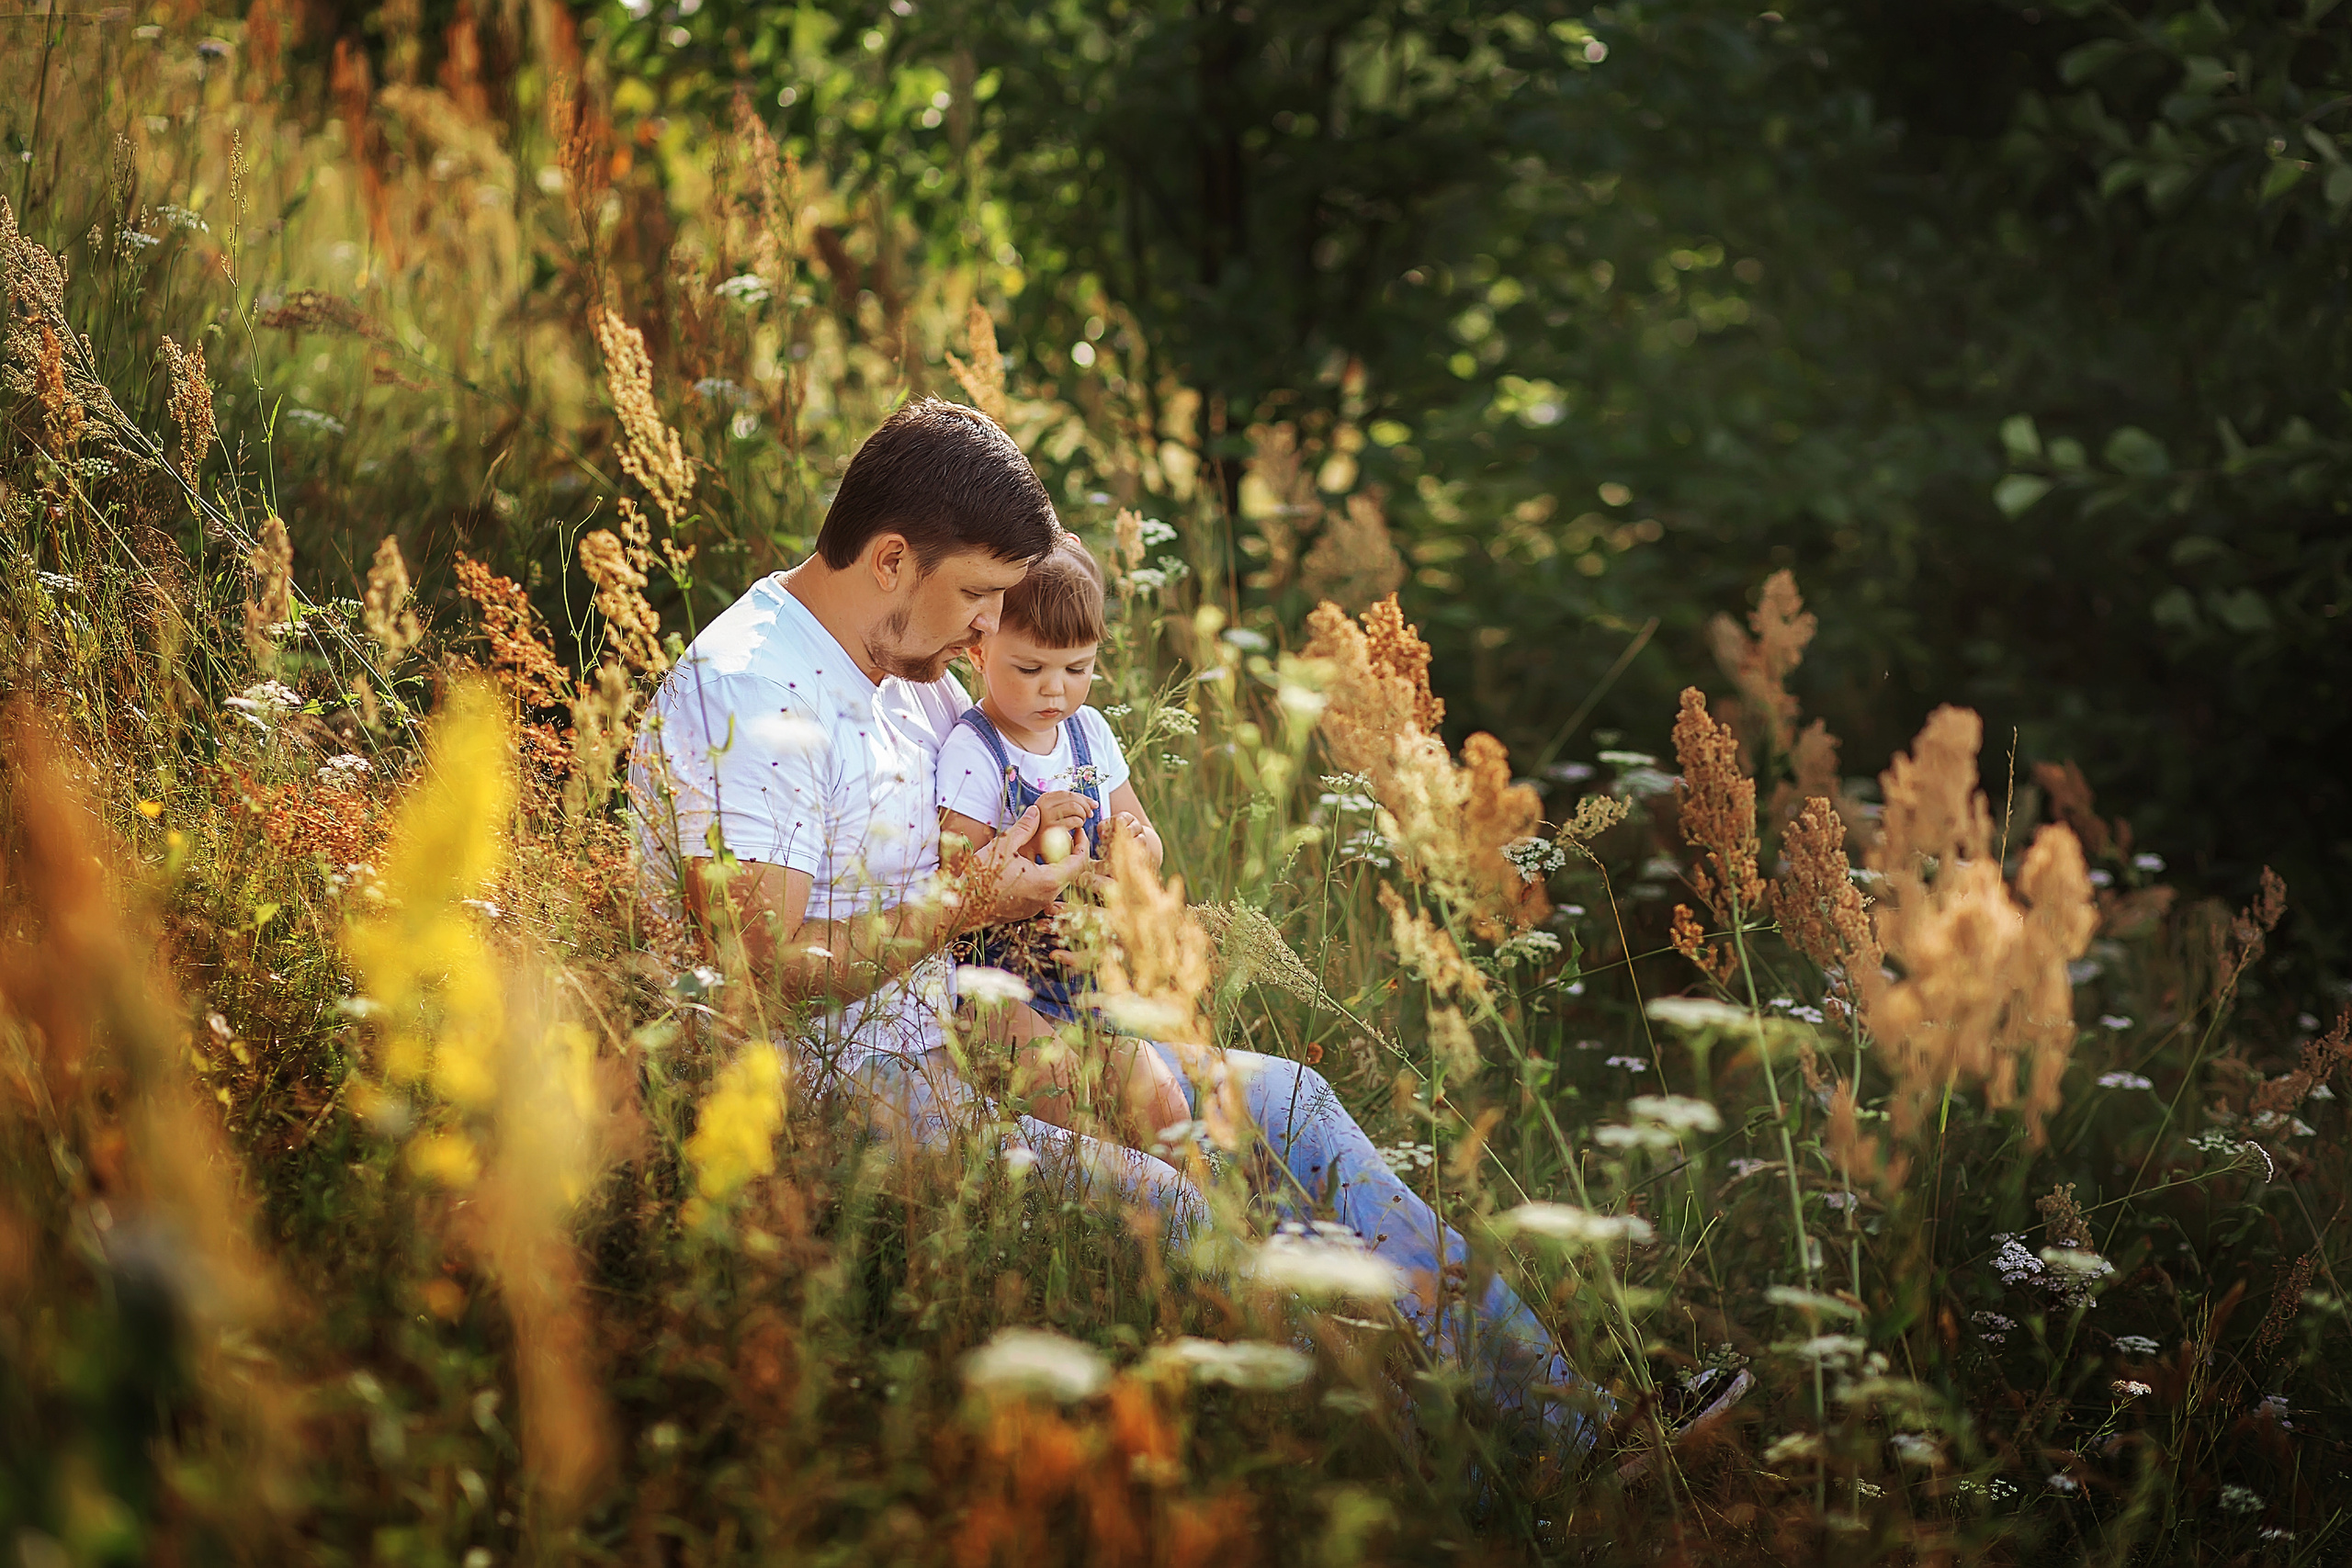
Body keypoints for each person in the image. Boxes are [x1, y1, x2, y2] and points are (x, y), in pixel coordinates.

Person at [631, 396, 1632, 1472]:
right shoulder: (753, 692)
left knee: (1289, 1104)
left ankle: (1570, 1432)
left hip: (980, 1031)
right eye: (975, 596)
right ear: (888, 560)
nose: (986, 630)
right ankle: (1445, 1495)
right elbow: (757, 969)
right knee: (1177, 1201)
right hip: (836, 1094)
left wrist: (1080, 880)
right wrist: (972, 903)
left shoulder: (904, 671)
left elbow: (993, 837)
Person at [933, 534, 1190, 1151]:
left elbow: (1148, 844)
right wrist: (1030, 835)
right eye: (1031, 669)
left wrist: (1132, 847)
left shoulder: (1089, 733)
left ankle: (1191, 1205)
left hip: (1088, 977)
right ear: (979, 649)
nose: (1056, 690)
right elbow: (958, 880)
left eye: (1078, 669)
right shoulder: (974, 749)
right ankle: (1090, 1194)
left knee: (1162, 1105)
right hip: (1000, 983)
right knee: (1061, 1091)